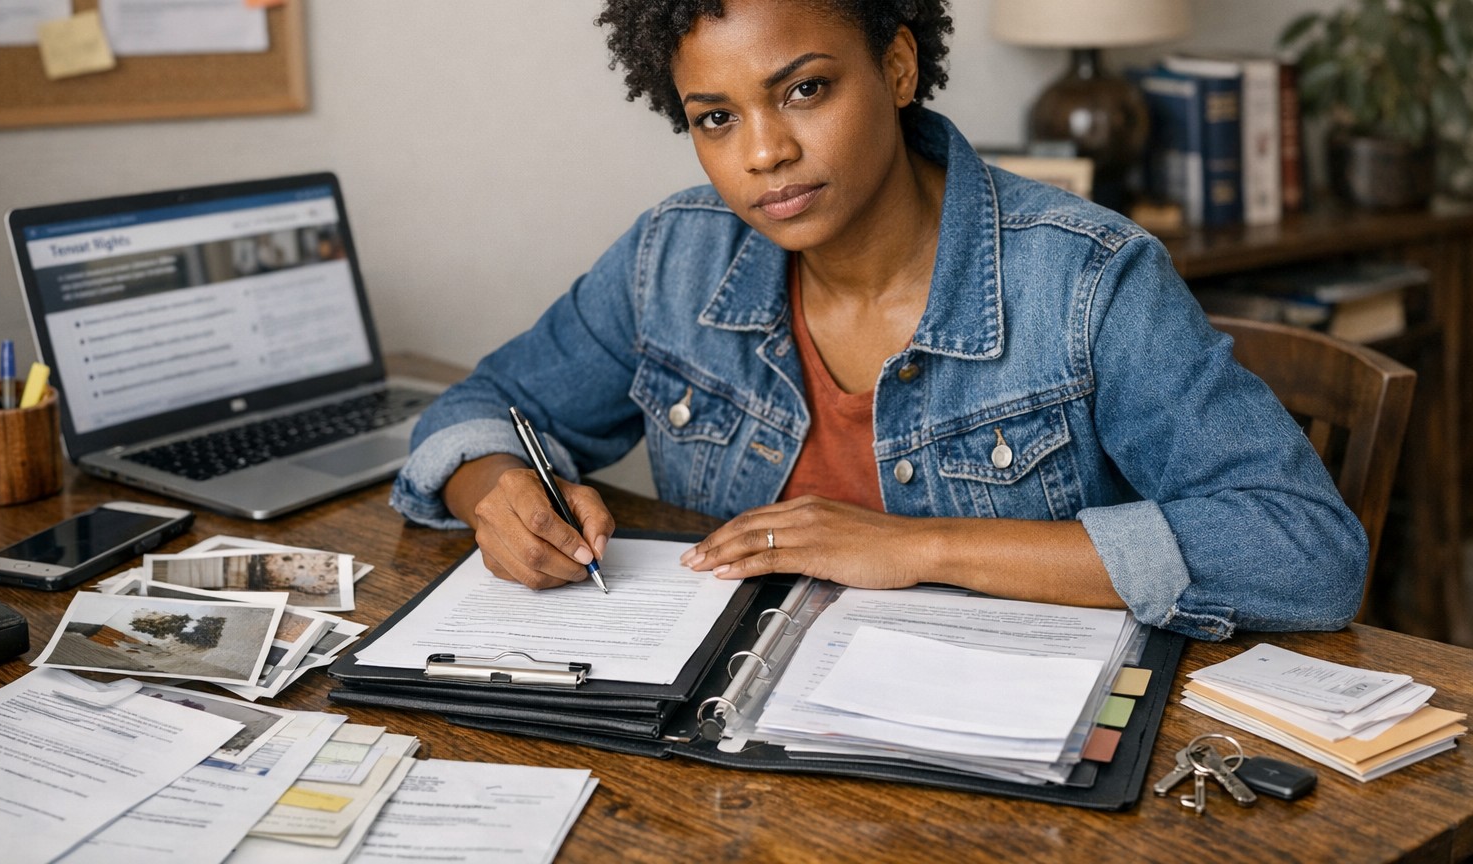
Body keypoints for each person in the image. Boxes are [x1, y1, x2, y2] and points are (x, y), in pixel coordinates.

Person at [391, 0, 1367, 641]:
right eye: (716, 117)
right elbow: (487, 404)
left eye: (804, 89)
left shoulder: (1087, 277)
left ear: (897, 68)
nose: (765, 152)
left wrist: (920, 546)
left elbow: (1306, 551)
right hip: (743, 749)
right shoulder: (671, 256)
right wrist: (494, 490)